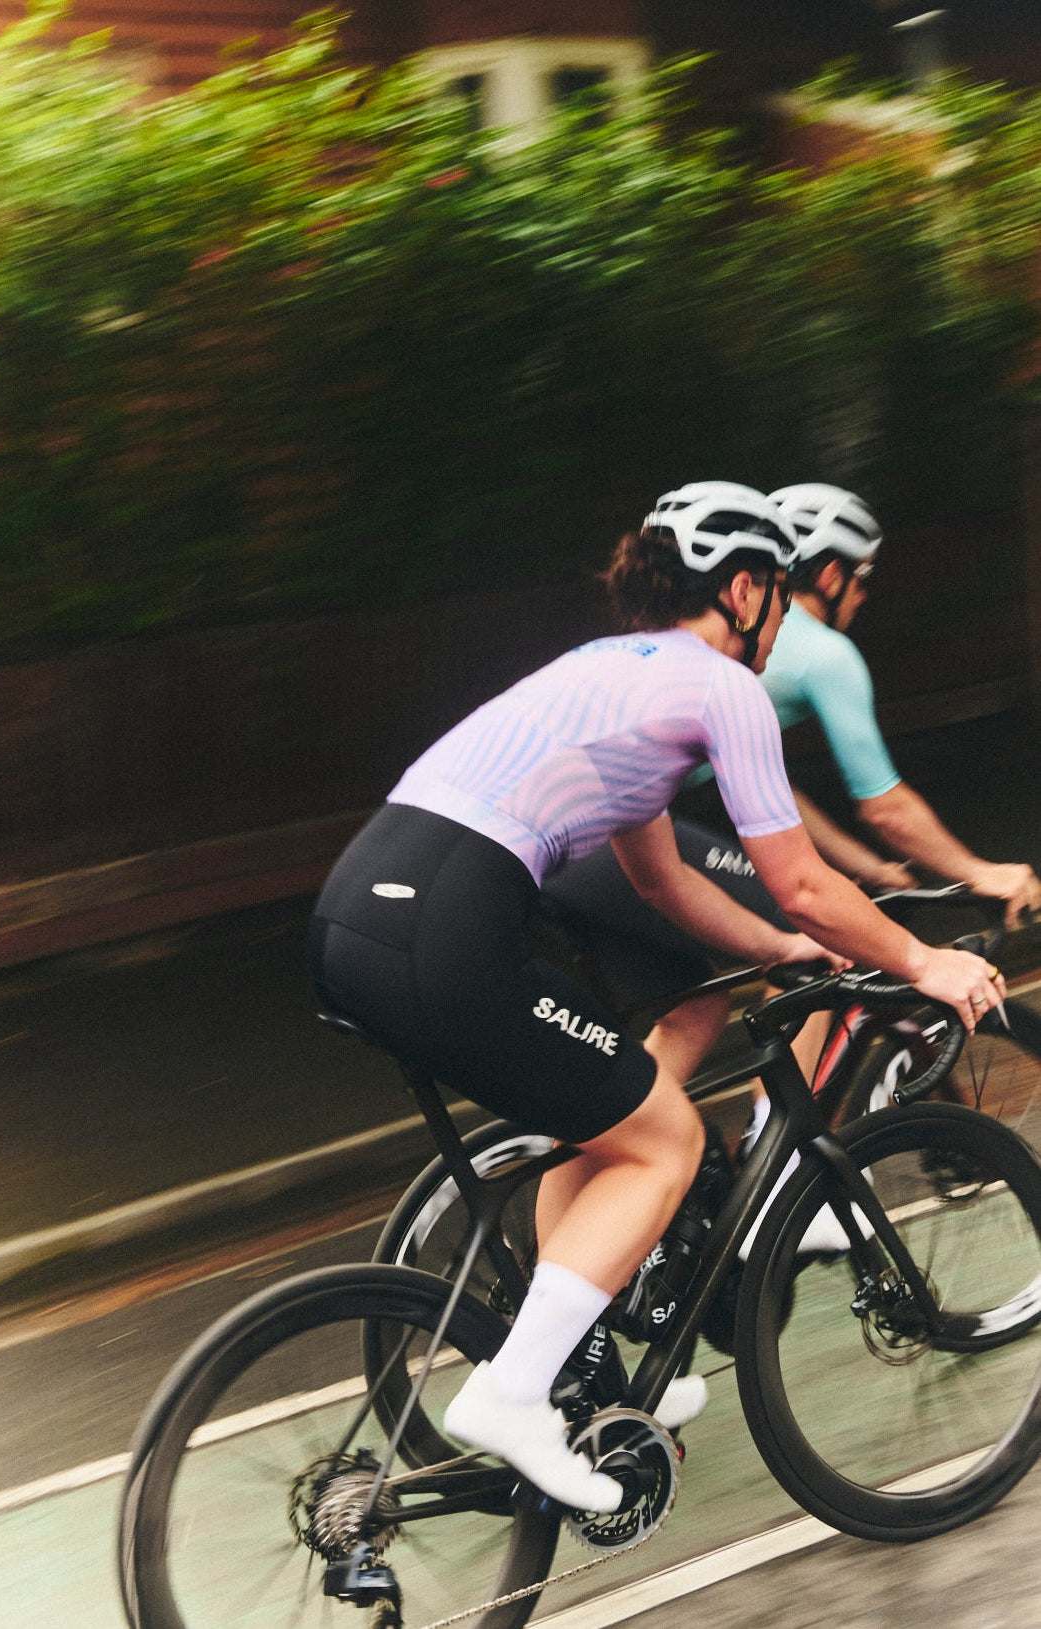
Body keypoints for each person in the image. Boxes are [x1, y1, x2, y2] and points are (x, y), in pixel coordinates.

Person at [308, 493, 1004, 1514]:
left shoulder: (608, 671)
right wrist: (922, 963)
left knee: (601, 1118)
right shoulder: (722, 686)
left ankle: (570, 1366)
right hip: (446, 927)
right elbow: (803, 876)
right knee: (668, 1137)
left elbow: (661, 885)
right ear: (744, 588)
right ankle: (509, 1393)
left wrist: (779, 947)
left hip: (356, 913)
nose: (779, 617)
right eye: (774, 589)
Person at [763, 482, 1041, 926]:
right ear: (831, 575)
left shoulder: (752, 632)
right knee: (816, 925)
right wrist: (980, 872)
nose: (864, 593)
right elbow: (885, 811)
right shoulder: (824, 654)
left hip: (625, 829)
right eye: (862, 575)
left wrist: (868, 867)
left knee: (706, 996)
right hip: (633, 832)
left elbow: (767, 792)